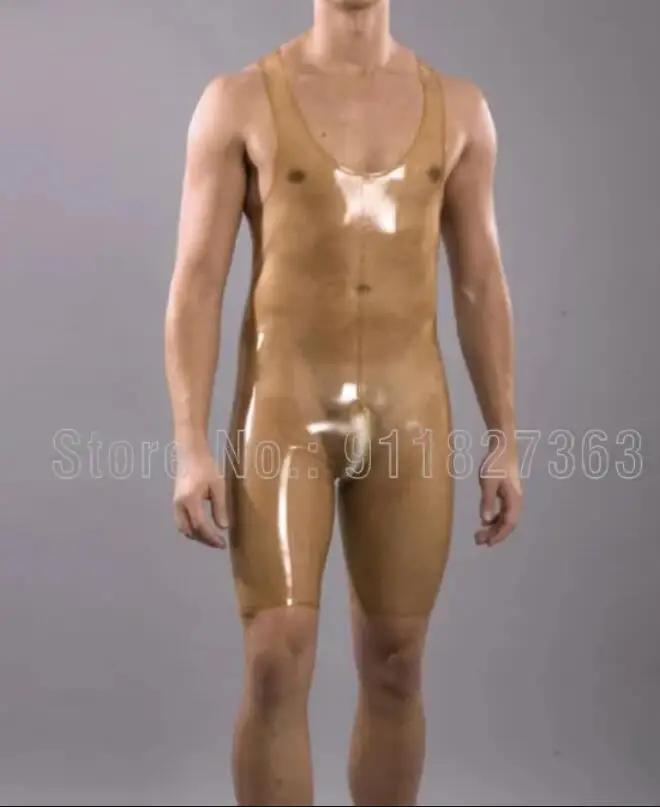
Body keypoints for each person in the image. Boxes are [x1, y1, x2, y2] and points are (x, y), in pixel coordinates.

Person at [164, 0, 522, 803]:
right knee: (274, 659)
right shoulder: (241, 100)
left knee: (396, 663)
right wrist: (189, 445)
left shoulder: (460, 108)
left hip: (408, 416)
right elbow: (197, 283)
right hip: (285, 412)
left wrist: (505, 434)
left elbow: (479, 280)